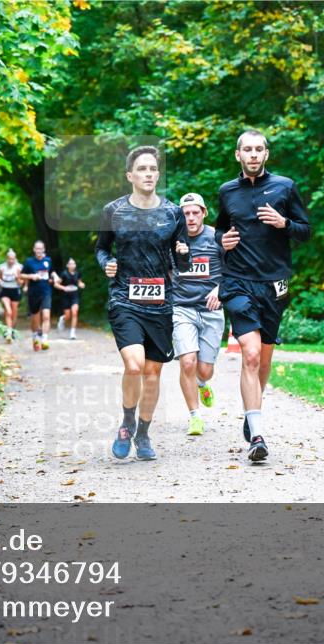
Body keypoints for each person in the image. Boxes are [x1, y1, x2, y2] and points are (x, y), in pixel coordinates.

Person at [214, 130, 311, 462]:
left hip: (274, 284)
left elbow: (306, 230)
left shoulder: (285, 187)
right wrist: (221, 241)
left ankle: (251, 411)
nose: (253, 155)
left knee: (264, 358)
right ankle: (257, 435)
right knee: (251, 355)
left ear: (266, 154)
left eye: (259, 149)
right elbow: (218, 229)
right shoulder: (227, 191)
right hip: (238, 281)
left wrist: (285, 223)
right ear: (237, 155)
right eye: (247, 149)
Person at [95, 145, 188, 461]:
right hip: (125, 299)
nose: (148, 174)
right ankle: (127, 422)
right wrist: (106, 263)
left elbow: (181, 262)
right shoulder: (114, 211)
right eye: (142, 169)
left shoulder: (174, 213)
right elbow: (101, 249)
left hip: (161, 304)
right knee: (133, 365)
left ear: (158, 174)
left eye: (153, 169)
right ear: (130, 175)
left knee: (153, 374)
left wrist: (183, 256)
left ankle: (144, 432)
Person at [171, 192, 226, 436]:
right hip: (182, 308)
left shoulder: (217, 237)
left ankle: (203, 384)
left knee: (204, 370)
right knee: (187, 361)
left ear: (204, 212)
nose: (191, 218)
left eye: (195, 212)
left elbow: (235, 269)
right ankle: (195, 417)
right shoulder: (172, 241)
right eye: (186, 214)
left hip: (212, 311)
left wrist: (220, 289)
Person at [21, 240, 57, 351]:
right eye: (37, 248)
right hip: (33, 293)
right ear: (34, 249)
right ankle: (35, 335)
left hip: (46, 291)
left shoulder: (48, 260)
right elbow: (21, 275)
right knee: (35, 319)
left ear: (44, 249)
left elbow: (52, 272)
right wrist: (31, 276)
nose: (39, 251)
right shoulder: (29, 262)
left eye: (41, 249)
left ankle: (44, 339)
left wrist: (55, 277)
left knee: (46, 316)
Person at [0, 249, 23, 343]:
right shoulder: (2, 267)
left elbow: (21, 282)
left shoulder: (19, 267)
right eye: (9, 259)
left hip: (15, 290)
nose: (11, 261)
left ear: (15, 259)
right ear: (7, 259)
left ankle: (12, 330)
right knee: (8, 311)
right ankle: (8, 332)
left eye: (13, 259)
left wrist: (17, 277)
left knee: (14, 312)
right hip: (5, 290)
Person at [55, 258, 85, 340]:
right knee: (68, 316)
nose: (72, 265)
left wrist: (81, 284)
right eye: (70, 264)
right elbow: (56, 284)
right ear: (67, 265)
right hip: (66, 296)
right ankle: (62, 319)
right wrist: (64, 288)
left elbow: (79, 282)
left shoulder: (78, 273)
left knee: (75, 312)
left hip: (75, 295)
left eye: (74, 263)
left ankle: (72, 333)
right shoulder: (64, 274)